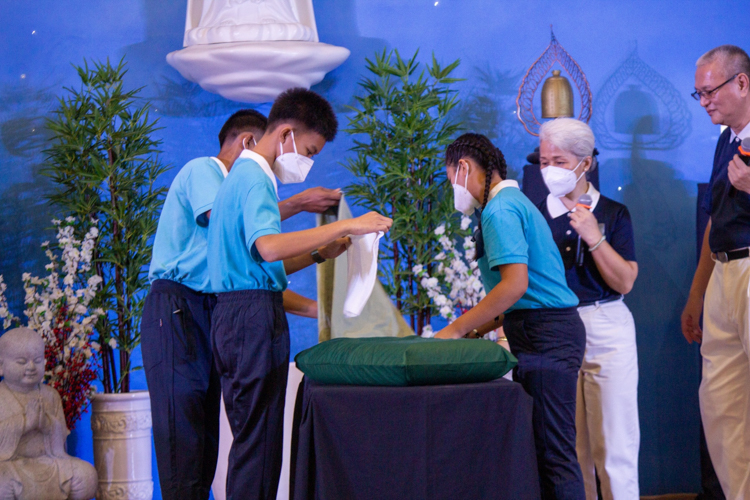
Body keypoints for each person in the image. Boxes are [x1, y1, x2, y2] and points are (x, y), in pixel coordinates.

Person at [142, 109, 341, 500]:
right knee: (183, 436)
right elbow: (231, 221)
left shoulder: (245, 188)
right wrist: (304, 207)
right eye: (309, 151)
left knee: (208, 442)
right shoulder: (208, 170)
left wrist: (321, 302)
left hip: (217, 309)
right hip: (177, 308)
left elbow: (258, 276)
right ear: (250, 142)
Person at [207, 87, 392, 500]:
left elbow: (261, 264)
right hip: (250, 320)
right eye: (308, 151)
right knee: (258, 449)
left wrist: (320, 254)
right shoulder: (255, 177)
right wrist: (347, 226)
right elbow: (269, 247)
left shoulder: (243, 177)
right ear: (286, 133)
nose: (306, 163)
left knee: (256, 444)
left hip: (240, 314)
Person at [434, 133, 586, 500]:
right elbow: (528, 291)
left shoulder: (500, 209)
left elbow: (515, 286)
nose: (453, 189)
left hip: (545, 335)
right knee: (545, 449)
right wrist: (479, 328)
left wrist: (455, 330)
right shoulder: (515, 202)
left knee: (554, 453)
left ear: (464, 168)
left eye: (450, 177)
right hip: (543, 329)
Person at [537, 118, 640, 500]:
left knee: (614, 447)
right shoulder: (535, 214)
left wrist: (594, 238)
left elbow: (625, 281)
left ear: (585, 163)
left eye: (559, 161)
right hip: (555, 328)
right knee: (570, 451)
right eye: (544, 160)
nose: (550, 170)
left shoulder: (613, 213)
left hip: (605, 325)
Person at [681, 44, 750, 499]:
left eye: (710, 91)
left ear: (742, 83)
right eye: (698, 94)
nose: (704, 101)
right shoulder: (727, 138)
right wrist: (695, 293)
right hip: (724, 275)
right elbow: (713, 219)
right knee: (720, 406)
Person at [0, 327, 98, 500]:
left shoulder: (50, 395)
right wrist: (24, 422)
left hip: (49, 462)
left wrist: (48, 424)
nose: (31, 367)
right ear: (1, 366)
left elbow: (61, 444)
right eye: (22, 362)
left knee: (86, 475)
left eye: (37, 360)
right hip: (10, 466)